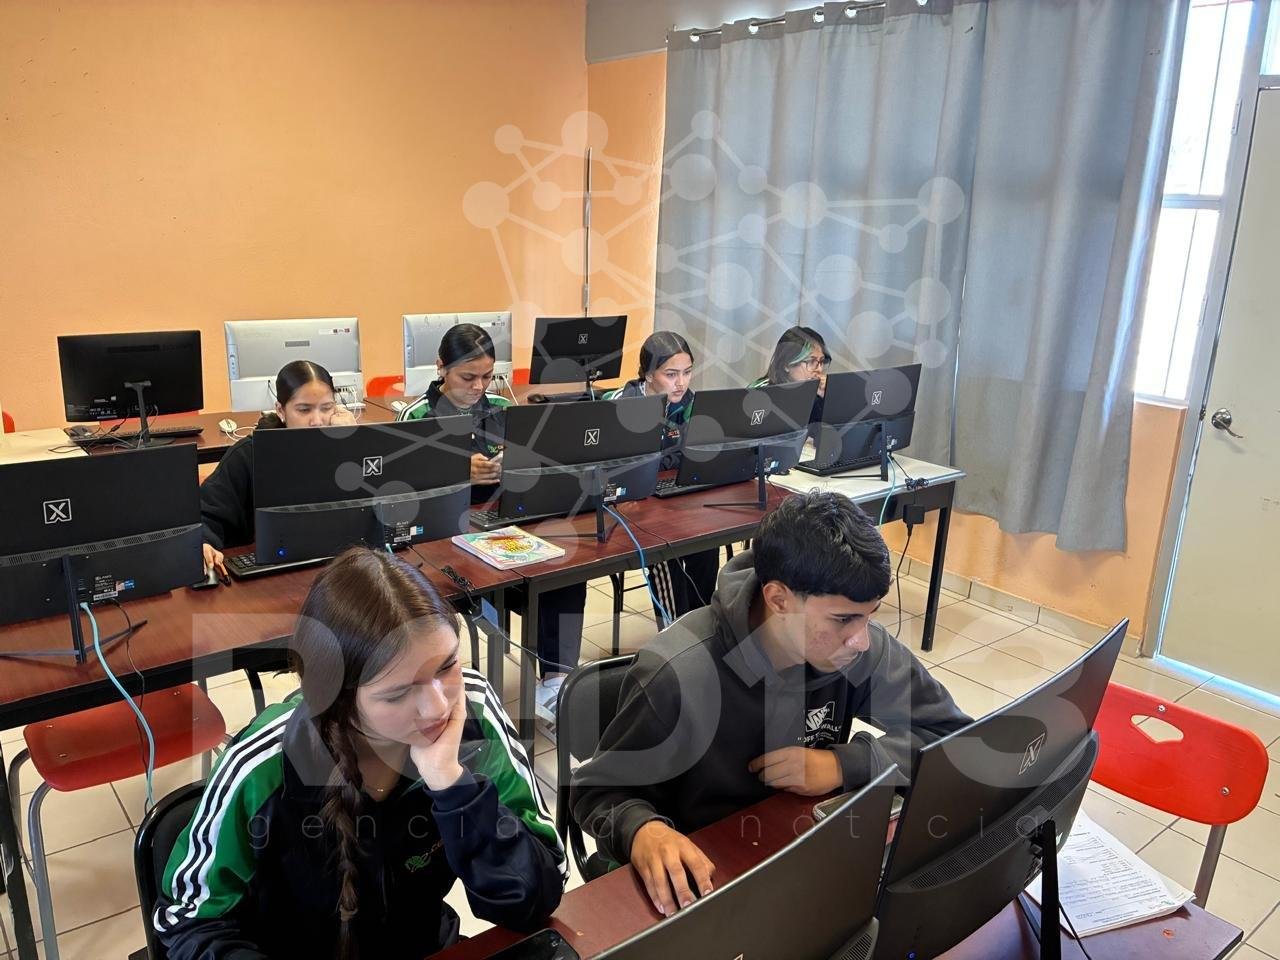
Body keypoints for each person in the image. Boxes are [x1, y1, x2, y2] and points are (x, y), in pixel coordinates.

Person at [570, 489, 970, 918]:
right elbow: (596, 790)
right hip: (705, 877)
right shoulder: (677, 675)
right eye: (843, 619)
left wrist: (843, 765)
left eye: (870, 615)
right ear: (778, 599)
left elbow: (953, 736)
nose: (861, 640)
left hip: (801, 854)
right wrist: (642, 830)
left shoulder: (854, 649)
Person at [154, 547, 566, 960]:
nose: (438, 707)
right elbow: (188, 924)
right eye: (398, 693)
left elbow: (535, 896)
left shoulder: (472, 713)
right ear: (338, 697)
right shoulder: (263, 765)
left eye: (446, 666)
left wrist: (454, 787)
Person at [397, 323, 588, 734]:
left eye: (487, 376)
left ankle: (555, 683)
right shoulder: (416, 417)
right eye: (468, 377)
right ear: (441, 368)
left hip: (502, 526)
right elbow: (400, 490)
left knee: (566, 569)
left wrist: (516, 466)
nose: (478, 386)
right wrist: (455, 470)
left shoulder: (503, 407)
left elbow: (539, 465)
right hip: (442, 540)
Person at [200, 360, 357, 578]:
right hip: (269, 574)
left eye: (327, 408)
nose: (317, 421)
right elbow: (206, 514)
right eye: (304, 410)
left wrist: (351, 443)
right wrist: (203, 542)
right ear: (281, 411)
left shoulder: (343, 450)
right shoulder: (248, 455)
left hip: (334, 568)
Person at [603, 331, 719, 621]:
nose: (681, 382)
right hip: (630, 504)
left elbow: (693, 453)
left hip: (673, 496)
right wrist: (667, 455)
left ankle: (701, 625)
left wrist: (661, 457)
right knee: (666, 549)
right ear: (648, 374)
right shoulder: (621, 404)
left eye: (687, 372)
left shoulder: (689, 402)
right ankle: (676, 630)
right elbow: (617, 465)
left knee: (706, 543)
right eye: (671, 374)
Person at [749, 325, 830, 423]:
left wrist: (825, 397)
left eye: (821, 361)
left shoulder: (816, 395)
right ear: (787, 364)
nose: (819, 369)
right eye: (811, 361)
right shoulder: (759, 393)